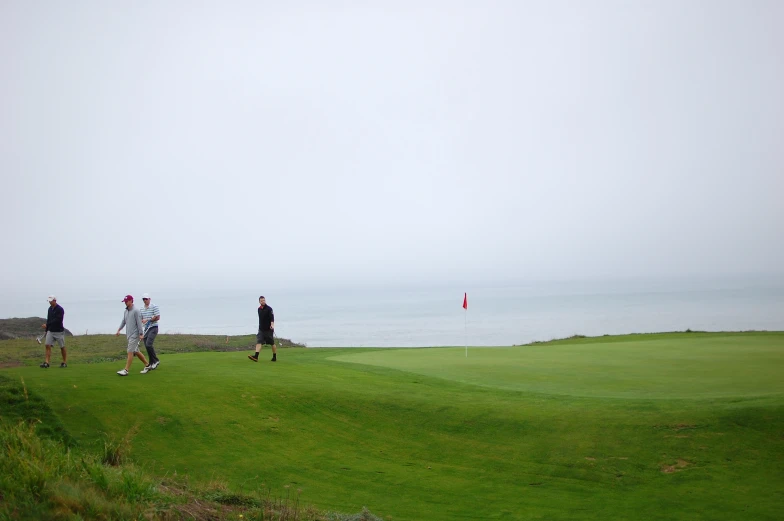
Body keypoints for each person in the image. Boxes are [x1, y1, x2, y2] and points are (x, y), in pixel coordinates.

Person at [115, 295, 150, 375]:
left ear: (131, 301)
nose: (125, 303)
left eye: (126, 301)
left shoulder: (136, 311)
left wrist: (141, 334)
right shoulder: (126, 311)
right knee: (136, 351)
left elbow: (139, 323)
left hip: (135, 335)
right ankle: (147, 365)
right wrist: (119, 329)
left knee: (130, 351)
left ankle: (126, 370)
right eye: (125, 301)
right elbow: (124, 321)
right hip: (129, 335)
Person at [40, 295, 67, 368]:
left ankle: (64, 362)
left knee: (62, 347)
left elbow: (58, 320)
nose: (49, 302)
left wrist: (47, 324)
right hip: (50, 331)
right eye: (49, 301)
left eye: (51, 301)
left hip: (59, 331)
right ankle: (47, 362)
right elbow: (49, 319)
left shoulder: (60, 309)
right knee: (47, 345)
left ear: (55, 301)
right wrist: (46, 330)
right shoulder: (49, 309)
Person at [248, 295, 276, 362]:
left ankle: (274, 356)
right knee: (259, 342)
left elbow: (272, 318)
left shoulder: (269, 309)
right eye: (261, 301)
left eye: (264, 300)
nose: (263, 301)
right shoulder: (259, 309)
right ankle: (256, 356)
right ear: (259, 302)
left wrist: (272, 325)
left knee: (272, 343)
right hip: (261, 329)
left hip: (269, 330)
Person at [140, 293, 161, 370]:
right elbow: (141, 318)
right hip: (146, 329)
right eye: (143, 299)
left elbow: (158, 317)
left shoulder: (154, 306)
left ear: (149, 299)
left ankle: (155, 361)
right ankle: (152, 363)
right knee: (147, 346)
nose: (145, 300)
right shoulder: (141, 308)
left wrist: (148, 319)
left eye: (146, 299)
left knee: (149, 344)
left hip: (153, 327)